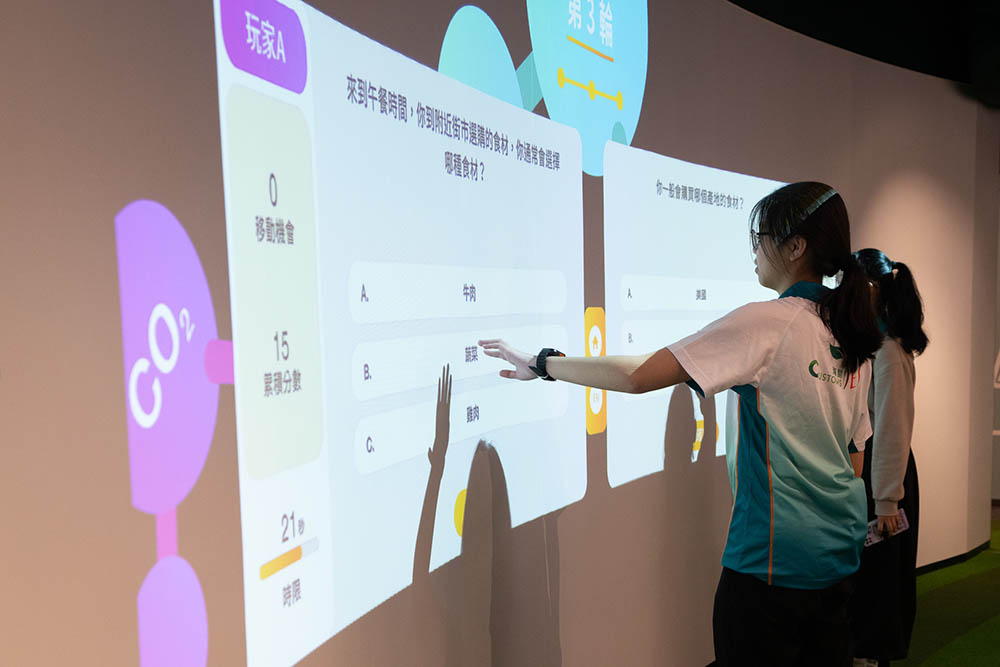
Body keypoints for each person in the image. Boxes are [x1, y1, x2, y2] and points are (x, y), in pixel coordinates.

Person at [479, 182, 883, 666]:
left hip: (772, 567)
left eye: (761, 237)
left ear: (796, 246)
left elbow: (636, 375)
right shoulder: (851, 334)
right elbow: (855, 463)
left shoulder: (770, 323)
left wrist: (544, 363)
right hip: (837, 560)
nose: (755, 250)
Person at [849, 249, 928, 667]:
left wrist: (886, 503)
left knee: (879, 582)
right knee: (872, 580)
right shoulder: (876, 346)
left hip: (885, 481)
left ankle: (869, 657)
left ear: (871, 290)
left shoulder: (889, 352)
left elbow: (893, 430)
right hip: (881, 477)